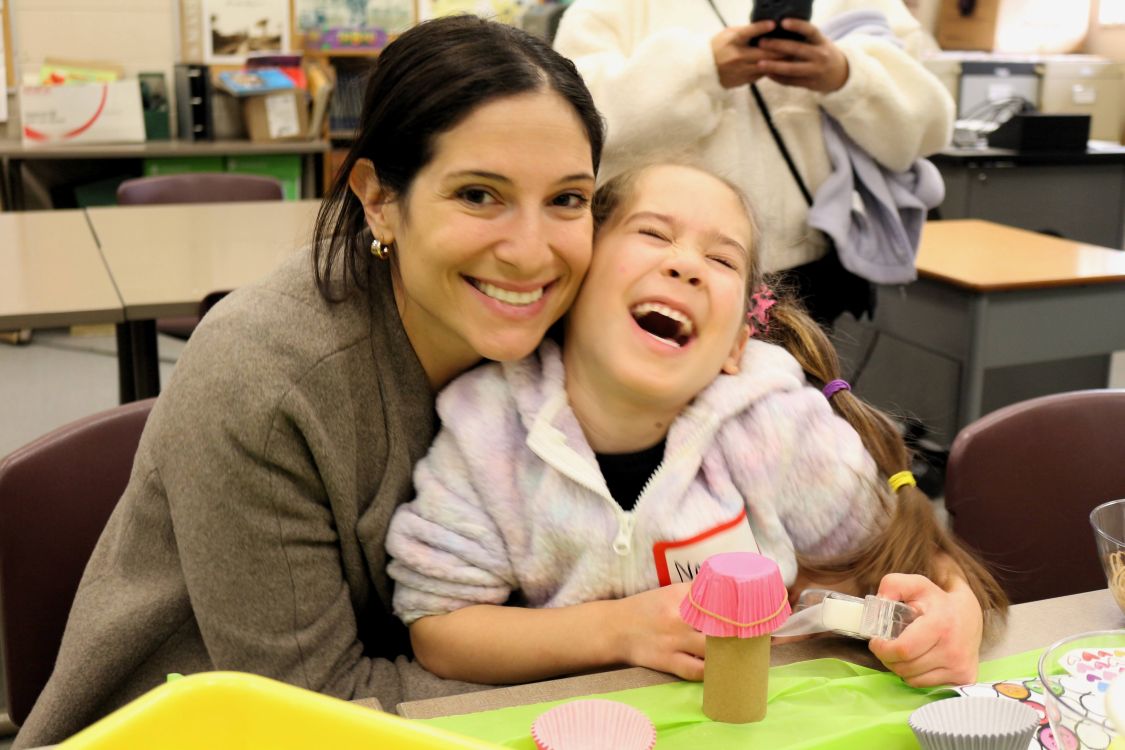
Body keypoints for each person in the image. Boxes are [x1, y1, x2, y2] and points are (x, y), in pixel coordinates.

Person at [14, 16, 605, 748]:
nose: (531, 251)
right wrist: (610, 660)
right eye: (478, 195)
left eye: (567, 199)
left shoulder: (576, 336)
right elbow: (311, 712)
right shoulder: (267, 379)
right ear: (378, 198)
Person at [385, 163, 1007, 690]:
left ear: (736, 344)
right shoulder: (486, 430)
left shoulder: (775, 425)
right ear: (570, 287)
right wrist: (619, 630)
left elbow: (905, 553)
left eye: (721, 259)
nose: (686, 266)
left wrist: (955, 612)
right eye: (653, 234)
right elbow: (439, 628)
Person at [551, 0, 954, 325]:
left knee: (789, 420)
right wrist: (699, 70)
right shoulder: (611, 9)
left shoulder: (861, 6)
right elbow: (570, 126)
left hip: (802, 281)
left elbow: (931, 128)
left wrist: (847, 77)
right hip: (655, 276)